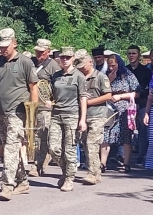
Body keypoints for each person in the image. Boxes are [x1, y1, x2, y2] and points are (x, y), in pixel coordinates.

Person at [0, 28, 39, 201]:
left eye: (6, 46)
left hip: (18, 112)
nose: (3, 49)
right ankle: (23, 181)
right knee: (9, 147)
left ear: (14, 43)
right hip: (1, 111)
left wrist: (32, 114)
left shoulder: (25, 62)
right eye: (1, 46)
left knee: (11, 147)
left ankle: (7, 185)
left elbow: (34, 87)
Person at [46, 47, 87, 192]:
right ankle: (65, 171)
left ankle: (70, 178)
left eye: (67, 57)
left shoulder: (79, 76)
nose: (64, 60)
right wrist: (49, 101)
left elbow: (83, 98)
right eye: (62, 57)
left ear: (73, 58)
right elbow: (51, 93)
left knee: (69, 149)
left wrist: (82, 119)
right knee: (54, 148)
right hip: (56, 114)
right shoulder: (56, 75)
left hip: (72, 115)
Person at [74, 50, 112, 184]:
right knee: (85, 144)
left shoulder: (100, 77)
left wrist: (89, 102)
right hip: (83, 116)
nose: (82, 68)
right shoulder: (78, 77)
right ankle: (96, 173)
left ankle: (92, 173)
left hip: (97, 114)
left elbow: (108, 95)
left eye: (84, 65)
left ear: (91, 62)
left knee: (92, 144)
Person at [29, 39, 61, 177]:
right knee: (34, 136)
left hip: (45, 107)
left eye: (42, 52)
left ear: (48, 51)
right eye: (37, 51)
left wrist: (52, 101)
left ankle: (38, 165)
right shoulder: (32, 62)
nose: (38, 54)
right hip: (32, 104)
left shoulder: (53, 65)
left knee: (42, 136)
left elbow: (59, 85)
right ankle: (38, 161)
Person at [104, 51, 139, 173]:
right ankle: (102, 163)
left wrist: (121, 96)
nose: (111, 67)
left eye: (113, 65)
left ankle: (126, 163)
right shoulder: (106, 75)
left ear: (119, 63)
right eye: (109, 65)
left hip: (124, 108)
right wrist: (109, 79)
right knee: (106, 135)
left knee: (126, 136)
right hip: (109, 107)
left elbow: (137, 92)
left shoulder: (128, 75)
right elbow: (100, 90)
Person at [126, 45, 151, 165]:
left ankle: (141, 155)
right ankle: (124, 156)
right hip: (127, 103)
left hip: (141, 103)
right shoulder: (124, 70)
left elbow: (148, 90)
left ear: (139, 55)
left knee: (143, 129)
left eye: (134, 53)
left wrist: (138, 93)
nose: (131, 55)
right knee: (126, 129)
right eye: (129, 53)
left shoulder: (146, 71)